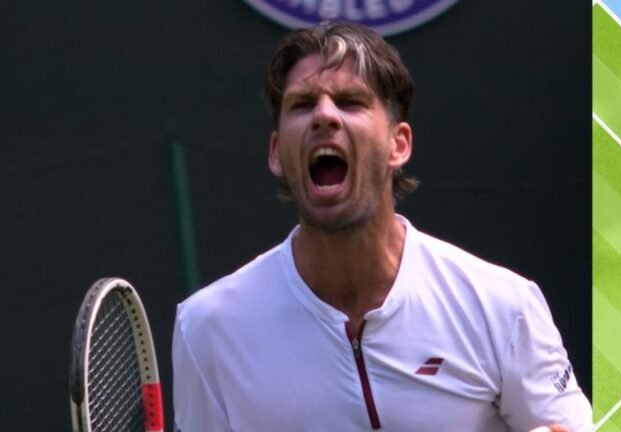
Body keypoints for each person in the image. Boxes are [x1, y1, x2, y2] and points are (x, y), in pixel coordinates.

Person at [172, 22, 592, 432]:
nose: (324, 115)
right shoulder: (208, 329)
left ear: (398, 144)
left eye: (350, 102)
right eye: (302, 105)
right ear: (277, 152)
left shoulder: (502, 306)